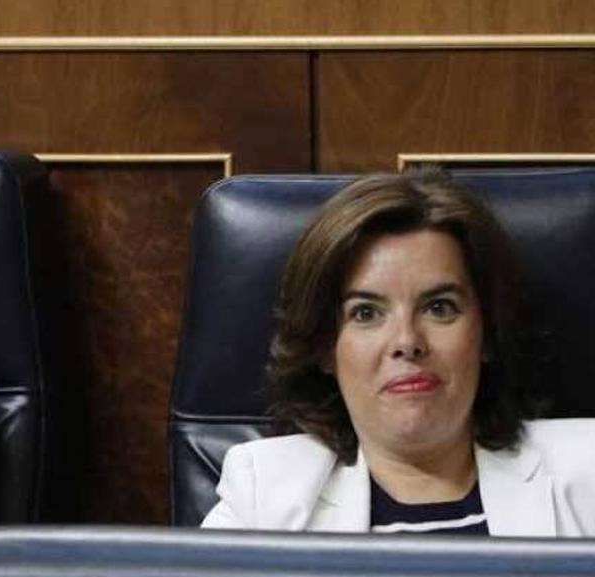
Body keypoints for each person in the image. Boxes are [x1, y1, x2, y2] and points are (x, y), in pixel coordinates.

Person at [202, 170, 595, 536]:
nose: (407, 341)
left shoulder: (586, 474)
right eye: (366, 313)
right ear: (324, 347)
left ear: (487, 332)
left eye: (439, 307)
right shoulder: (262, 496)